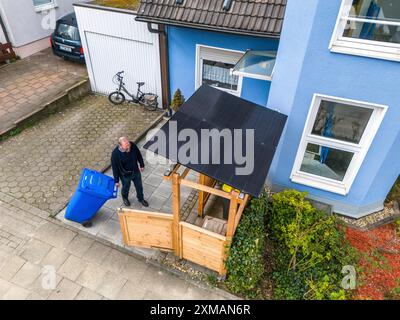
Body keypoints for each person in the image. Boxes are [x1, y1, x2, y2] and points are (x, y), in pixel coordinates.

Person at [111, 137, 149, 207]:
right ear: (121, 146)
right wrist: (116, 180)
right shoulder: (115, 154)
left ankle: (141, 198)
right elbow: (115, 168)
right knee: (126, 188)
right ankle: (125, 198)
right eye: (126, 146)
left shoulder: (132, 145)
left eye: (128, 144)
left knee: (139, 186)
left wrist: (142, 164)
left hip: (135, 171)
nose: (129, 146)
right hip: (125, 175)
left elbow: (138, 155)